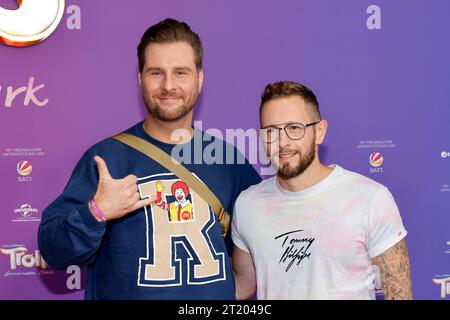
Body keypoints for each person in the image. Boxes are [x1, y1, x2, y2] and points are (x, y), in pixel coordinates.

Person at [38, 18, 261, 300]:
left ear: (200, 78)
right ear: (140, 78)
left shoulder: (229, 162)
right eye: (157, 72)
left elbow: (265, 246)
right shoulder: (107, 159)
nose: (168, 85)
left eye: (181, 72)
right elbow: (53, 252)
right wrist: (96, 212)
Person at [231, 81, 412, 300]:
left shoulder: (370, 199)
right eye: (271, 131)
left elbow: (399, 294)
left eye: (294, 128)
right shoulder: (248, 204)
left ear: (319, 132)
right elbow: (242, 285)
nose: (283, 141)